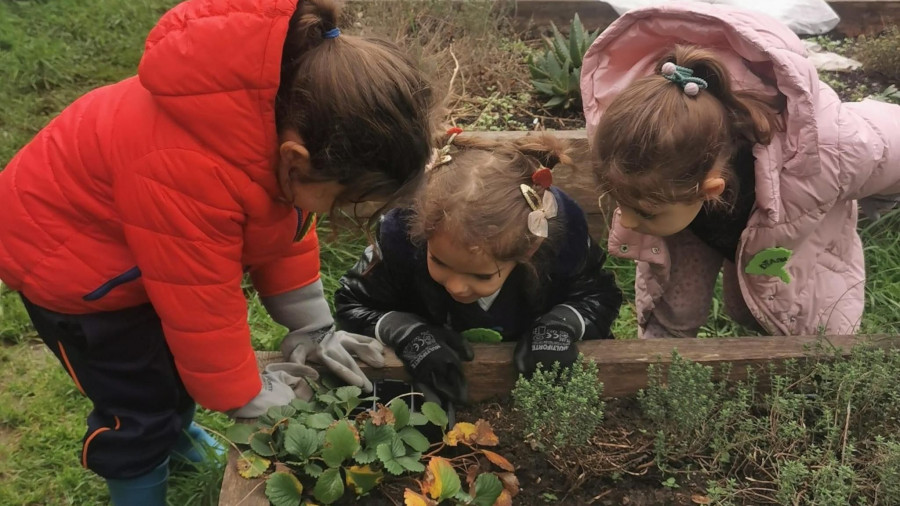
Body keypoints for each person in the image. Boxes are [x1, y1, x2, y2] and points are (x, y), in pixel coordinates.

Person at [0, 0, 438, 503]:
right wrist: (245, 396)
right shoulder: (186, 169)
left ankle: (179, 434)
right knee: (136, 402)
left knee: (170, 367)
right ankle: (140, 476)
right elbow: (198, 304)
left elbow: (282, 227)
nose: (338, 209)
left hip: (142, 244)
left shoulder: (283, 124)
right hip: (70, 266)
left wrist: (313, 323)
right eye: (341, 199)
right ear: (296, 159)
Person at [580, 3, 900, 339]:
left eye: (643, 211)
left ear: (710, 189)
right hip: (694, 223)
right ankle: (665, 344)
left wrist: (883, 194)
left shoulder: (825, 148)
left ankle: (805, 358)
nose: (628, 221)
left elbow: (886, 140)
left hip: (782, 235)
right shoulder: (660, 152)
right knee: (677, 303)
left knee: (764, 307)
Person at [334, 130, 623, 407]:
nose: (456, 286)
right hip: (431, 393)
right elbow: (352, 303)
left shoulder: (562, 249)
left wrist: (560, 326)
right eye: (438, 261)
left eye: (482, 276)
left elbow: (598, 296)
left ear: (529, 251)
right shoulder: (400, 247)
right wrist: (407, 333)